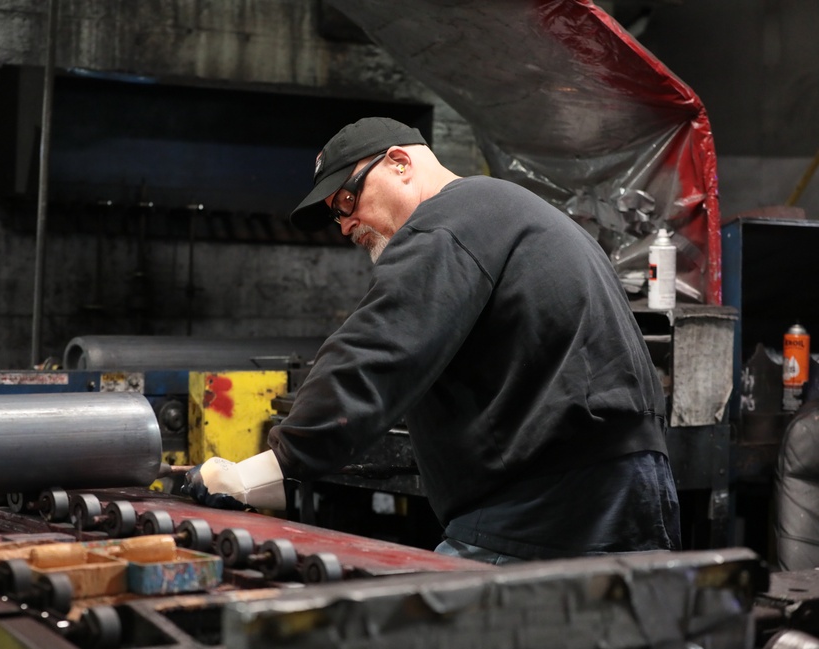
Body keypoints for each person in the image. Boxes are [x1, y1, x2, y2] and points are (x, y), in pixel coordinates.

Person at [181, 117, 681, 564]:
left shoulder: (453, 218)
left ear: (399, 163)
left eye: (349, 201)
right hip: (617, 487)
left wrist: (273, 466)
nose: (347, 225)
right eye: (338, 216)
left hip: (550, 503)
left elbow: (377, 345)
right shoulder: (502, 215)